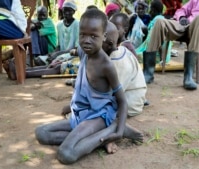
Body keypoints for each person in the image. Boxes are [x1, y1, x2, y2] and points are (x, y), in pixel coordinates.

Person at [35, 9, 143, 164]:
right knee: (41, 133)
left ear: (104, 37)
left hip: (98, 116)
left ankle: (110, 130)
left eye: (93, 36)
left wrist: (118, 132)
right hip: (81, 114)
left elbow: (122, 101)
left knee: (66, 154)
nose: (86, 40)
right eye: (82, 34)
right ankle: (95, 138)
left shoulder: (107, 66)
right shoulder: (83, 52)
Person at [143, 0, 199, 90]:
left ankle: (188, 77)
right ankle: (148, 73)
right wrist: (182, 17)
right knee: (159, 21)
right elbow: (182, 10)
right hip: (185, 26)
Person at [3, 1, 80, 79]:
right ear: (62, 10)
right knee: (41, 60)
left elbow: (75, 49)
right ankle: (20, 71)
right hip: (60, 54)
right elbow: (59, 46)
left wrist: (56, 54)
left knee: (56, 66)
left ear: (74, 11)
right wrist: (52, 54)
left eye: (69, 10)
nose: (66, 13)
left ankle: (21, 74)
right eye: (65, 10)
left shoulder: (78, 24)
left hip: (71, 55)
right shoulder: (59, 25)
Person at [103, 21, 147, 116]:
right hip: (129, 97)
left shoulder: (117, 60)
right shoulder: (117, 51)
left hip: (130, 104)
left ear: (109, 44)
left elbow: (113, 92)